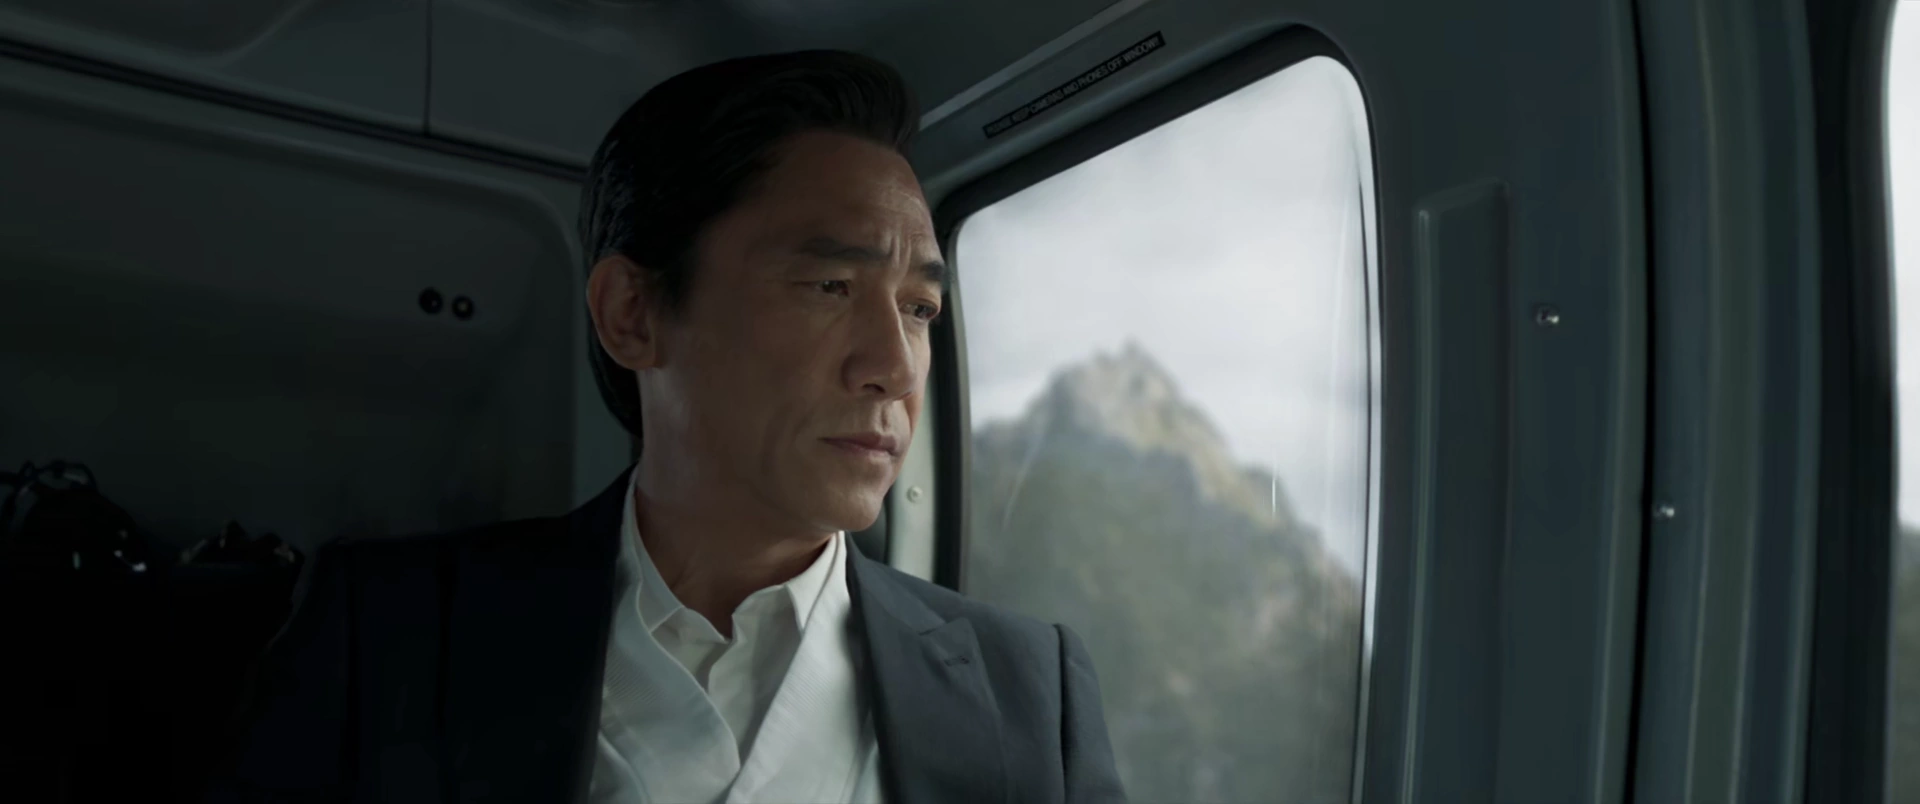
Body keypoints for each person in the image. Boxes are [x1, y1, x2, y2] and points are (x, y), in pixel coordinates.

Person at [202, 49, 1127, 804]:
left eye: (920, 308)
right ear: (633, 314)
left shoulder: (1028, 691)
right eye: (830, 285)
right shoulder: (391, 635)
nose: (893, 363)